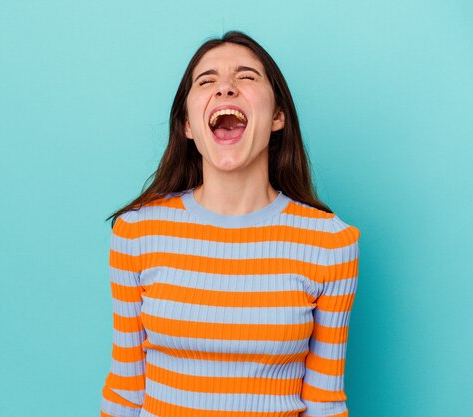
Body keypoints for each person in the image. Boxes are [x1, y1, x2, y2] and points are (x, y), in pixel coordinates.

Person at [99, 30, 360, 417]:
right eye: (207, 81)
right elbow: (125, 390)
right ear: (187, 124)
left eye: (247, 77)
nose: (225, 88)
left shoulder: (331, 242)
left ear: (277, 116)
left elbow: (324, 402)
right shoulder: (136, 233)